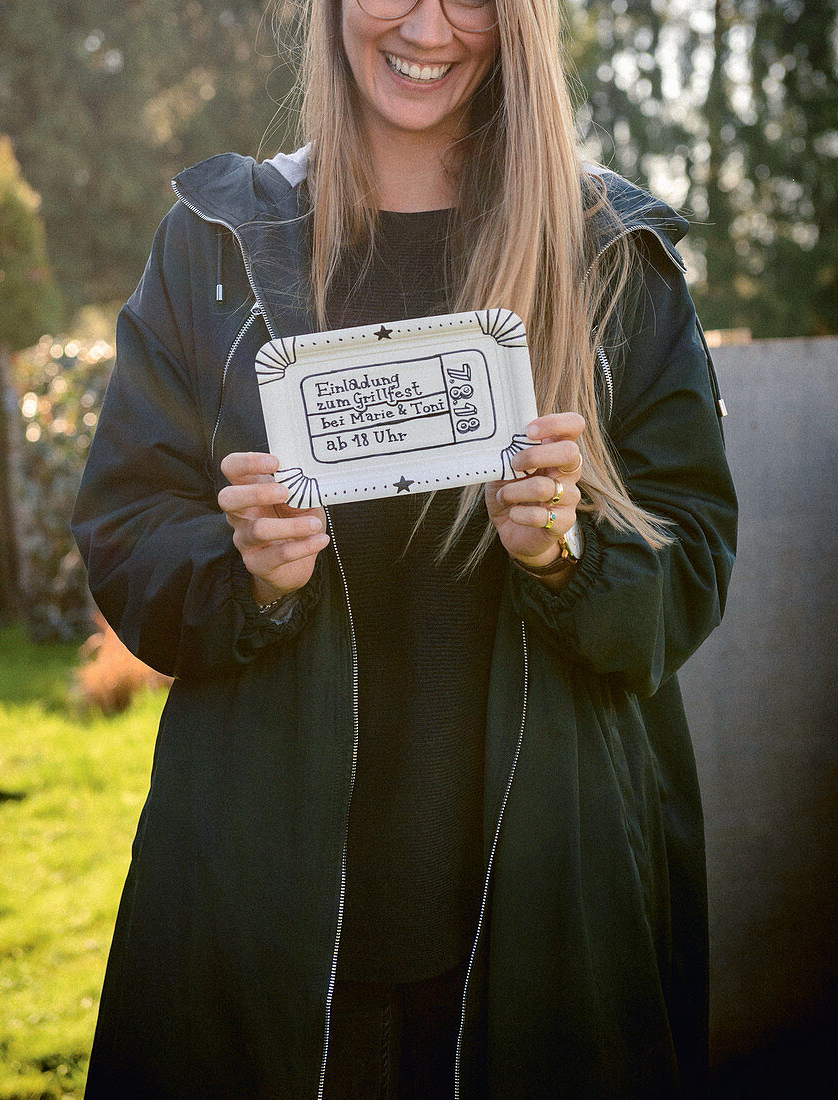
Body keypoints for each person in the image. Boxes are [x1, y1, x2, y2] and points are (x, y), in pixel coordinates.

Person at [71, 0, 737, 1096]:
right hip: (261, 921)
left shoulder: (612, 250)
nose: (429, 23)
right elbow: (126, 527)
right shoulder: (216, 239)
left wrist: (568, 557)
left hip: (550, 925)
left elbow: (695, 560)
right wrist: (245, 576)